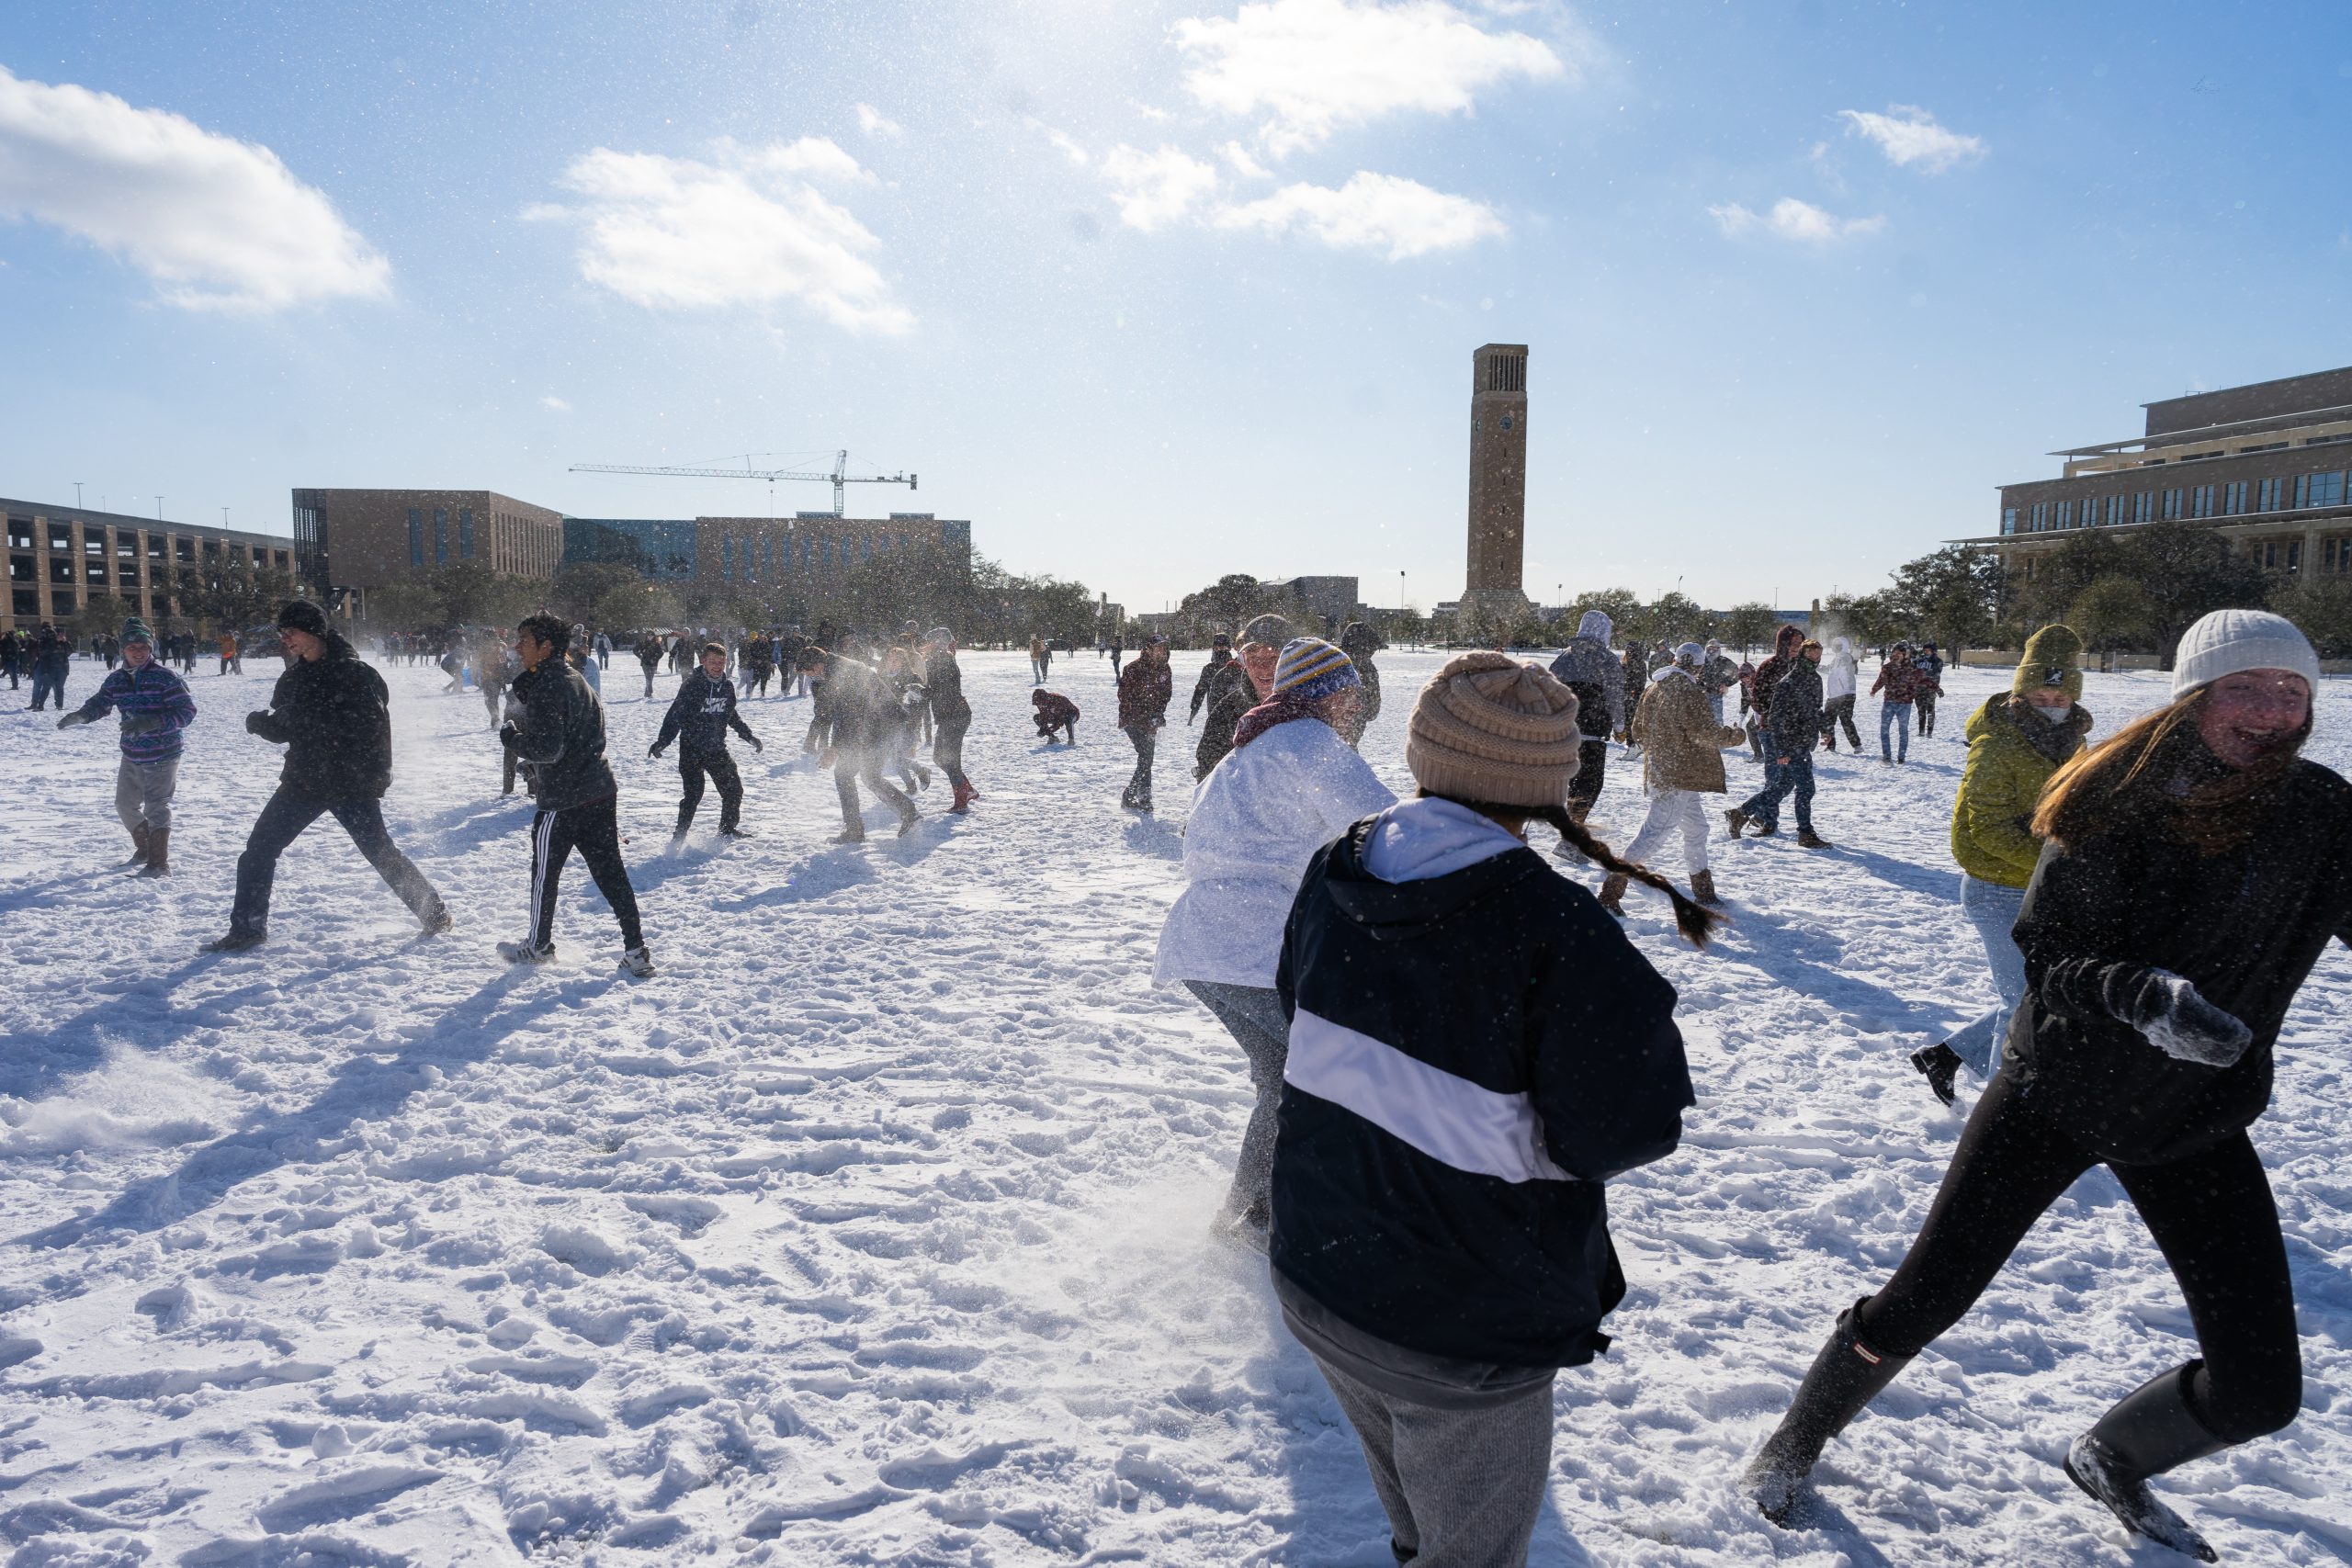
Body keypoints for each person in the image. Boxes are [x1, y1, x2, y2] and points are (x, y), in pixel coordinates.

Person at [1744, 609, 2345, 1561]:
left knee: (2261, 1390)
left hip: (2193, 1117)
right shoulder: (2115, 796)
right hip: (2056, 1094)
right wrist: (2141, 994)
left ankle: (2113, 1455)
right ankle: (1794, 1439)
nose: (2270, 713)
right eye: (2244, 688)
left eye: (2290, 692)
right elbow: (2048, 949)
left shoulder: (2319, 809)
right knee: (1924, 1299)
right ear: (2193, 698)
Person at [1270, 651, 1705, 1568]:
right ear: (1548, 781)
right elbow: (1626, 1130)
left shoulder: (1334, 868)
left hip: (1321, 1276)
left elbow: (1296, 1016)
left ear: (1425, 752)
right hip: (1457, 1325)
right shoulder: (1560, 931)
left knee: (1421, 1529)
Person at [1154, 637, 1395, 1247]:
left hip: (1205, 948)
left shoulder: (1242, 753)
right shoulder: (1310, 742)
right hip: (1256, 950)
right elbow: (1386, 828)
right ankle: (1342, 1211)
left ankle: (1248, 1214)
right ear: (1321, 693)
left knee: (1286, 1080)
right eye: (1347, 690)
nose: (1356, 703)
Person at [1910, 626, 2093, 1107]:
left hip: (2043, 887)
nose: (2050, 700)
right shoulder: (1997, 743)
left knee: (2037, 996)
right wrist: (2057, 862)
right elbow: (1985, 829)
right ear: (2020, 691)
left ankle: (1946, 1057)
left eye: (2060, 692)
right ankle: (2000, 1119)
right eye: (2039, 691)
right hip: (1997, 891)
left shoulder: (2071, 738)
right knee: (2021, 1008)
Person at [203, 602, 451, 952]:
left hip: (351, 783)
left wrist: (375, 776)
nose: (285, 638)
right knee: (259, 850)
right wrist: (262, 726)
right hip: (303, 781)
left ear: (315, 632)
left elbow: (371, 730)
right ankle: (247, 929)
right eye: (281, 632)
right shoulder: (294, 677)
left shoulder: (356, 674)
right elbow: (287, 727)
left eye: (292, 631)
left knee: (380, 852)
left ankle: (434, 913)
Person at [496, 615, 653, 974]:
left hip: (564, 800)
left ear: (546, 646)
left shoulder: (550, 685)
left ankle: (537, 946)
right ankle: (636, 950)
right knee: (611, 874)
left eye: (524, 640)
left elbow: (548, 749)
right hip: (599, 791)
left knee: (544, 876)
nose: (517, 646)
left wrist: (512, 739)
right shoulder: (574, 679)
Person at [1611, 642, 1748, 912]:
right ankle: (1611, 890)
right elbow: (1703, 732)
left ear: (1675, 660)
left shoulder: (1654, 687)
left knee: (1697, 830)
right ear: (1698, 667)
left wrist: (1661, 747)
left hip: (1668, 771)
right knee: (1653, 835)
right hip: (1678, 773)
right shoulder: (1688, 690)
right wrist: (1735, 736)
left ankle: (1704, 891)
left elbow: (1637, 731)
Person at [55, 617, 197, 875]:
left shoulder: (165, 678)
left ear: (150, 648)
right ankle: (144, 849)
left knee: (156, 807)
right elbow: (100, 703)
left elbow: (186, 712)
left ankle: (158, 863)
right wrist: (81, 716)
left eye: (143, 647)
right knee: (124, 805)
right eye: (133, 648)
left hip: (163, 753)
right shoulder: (116, 680)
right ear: (123, 651)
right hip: (132, 753)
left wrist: (152, 722)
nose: (139, 653)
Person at [1726, 637, 1831, 848]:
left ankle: (1740, 813)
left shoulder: (1816, 680)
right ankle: (1805, 833)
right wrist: (1781, 749)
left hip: (1804, 741)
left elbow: (1816, 710)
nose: (1815, 660)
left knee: (1781, 787)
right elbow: (1774, 718)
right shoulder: (1788, 682)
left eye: (1818, 656)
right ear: (1802, 656)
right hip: (1791, 742)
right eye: (1810, 656)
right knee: (1806, 789)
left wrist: (1826, 729)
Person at [651, 641, 761, 840]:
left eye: (721, 661)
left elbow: (731, 715)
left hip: (717, 749)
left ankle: (727, 829)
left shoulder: (727, 687)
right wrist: (663, 741)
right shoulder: (692, 685)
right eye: (712, 662)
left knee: (734, 790)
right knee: (693, 795)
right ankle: (680, 835)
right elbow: (675, 715)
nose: (717, 666)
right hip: (691, 749)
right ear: (703, 662)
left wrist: (748, 735)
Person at [809, 647, 920, 841]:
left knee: (845, 774)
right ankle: (908, 813)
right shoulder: (838, 668)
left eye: (808, 672)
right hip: (878, 725)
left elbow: (849, 716)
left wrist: (835, 748)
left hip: (878, 726)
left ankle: (854, 831)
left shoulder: (842, 673)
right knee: (869, 776)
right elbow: (839, 714)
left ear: (817, 665)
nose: (809, 677)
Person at [1547, 610, 1625, 835]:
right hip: (1592, 732)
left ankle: (1571, 821)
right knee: (1589, 782)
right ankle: (1574, 829)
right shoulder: (1608, 660)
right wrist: (1619, 725)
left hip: (1564, 731)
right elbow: (1614, 696)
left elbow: (1549, 690)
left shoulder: (1564, 658)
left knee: (1570, 779)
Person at [1194, 615, 1289, 779]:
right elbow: (1210, 781)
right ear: (1244, 658)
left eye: (1274, 657)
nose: (1263, 668)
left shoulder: (1317, 705)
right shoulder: (1227, 711)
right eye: (1254, 658)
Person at [922, 627, 977, 814]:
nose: (926, 645)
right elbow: (939, 688)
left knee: (947, 759)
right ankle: (968, 790)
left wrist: (922, 692)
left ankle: (961, 801)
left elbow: (942, 689)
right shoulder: (941, 658)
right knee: (944, 758)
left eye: (929, 641)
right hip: (953, 715)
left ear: (937, 642)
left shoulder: (942, 659)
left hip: (954, 715)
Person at [1116, 634, 1173, 810]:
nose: (1161, 652)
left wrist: (1158, 712)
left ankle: (1144, 796)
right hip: (1132, 720)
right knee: (1146, 757)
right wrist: (1145, 713)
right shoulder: (1133, 668)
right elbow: (1124, 697)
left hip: (1151, 722)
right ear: (1148, 649)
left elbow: (1166, 695)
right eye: (1158, 648)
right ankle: (1131, 794)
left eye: (1163, 648)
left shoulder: (1165, 669)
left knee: (1146, 758)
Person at [1871, 642, 1939, 764]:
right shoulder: (1887, 667)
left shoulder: (1912, 668)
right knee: (1884, 729)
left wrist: (1937, 688)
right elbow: (1881, 680)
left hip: (1905, 704)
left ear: (1904, 655)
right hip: (1889, 702)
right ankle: (1887, 756)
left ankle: (1901, 757)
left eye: (1898, 653)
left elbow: (1924, 680)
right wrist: (1874, 689)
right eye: (1894, 653)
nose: (1895, 655)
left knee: (1903, 730)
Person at [1338, 620, 1385, 739]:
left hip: (1338, 733)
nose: (1372, 653)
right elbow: (1372, 710)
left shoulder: (1332, 661)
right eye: (1371, 649)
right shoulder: (1362, 668)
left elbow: (1373, 709)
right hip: (1340, 735)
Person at [1817, 635, 1860, 752]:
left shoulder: (1846, 657)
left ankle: (1857, 745)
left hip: (1846, 693)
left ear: (1844, 646)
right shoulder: (1836, 659)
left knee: (1845, 720)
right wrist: (1815, 666)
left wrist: (1855, 656)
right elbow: (1829, 669)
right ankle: (1831, 746)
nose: (1835, 647)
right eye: (1834, 645)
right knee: (1829, 720)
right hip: (1834, 695)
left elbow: (1851, 663)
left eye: (1838, 646)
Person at [1188, 633, 1234, 725]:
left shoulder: (1235, 666)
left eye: (1223, 647)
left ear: (1229, 648)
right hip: (1214, 715)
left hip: (1235, 715)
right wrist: (1193, 711)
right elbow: (1200, 691)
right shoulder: (1209, 669)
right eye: (1217, 648)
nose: (1220, 650)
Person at [27, 623, 71, 711]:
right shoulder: (43, 640)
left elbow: (68, 652)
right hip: (48, 666)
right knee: (44, 686)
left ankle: (58, 705)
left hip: (59, 667)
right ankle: (38, 705)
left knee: (57, 687)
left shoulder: (59, 641)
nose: (48, 632)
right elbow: (42, 652)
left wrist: (64, 642)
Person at [1700, 640, 1740, 728]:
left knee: (1717, 719)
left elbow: (1737, 673)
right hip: (1701, 694)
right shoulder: (1701, 659)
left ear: (1719, 649)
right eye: (1710, 648)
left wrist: (1726, 683)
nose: (1712, 650)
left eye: (1715, 648)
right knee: (1701, 718)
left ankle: (1719, 738)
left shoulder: (1723, 660)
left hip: (1716, 694)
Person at [1915, 640, 1946, 736]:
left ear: (1933, 651)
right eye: (1925, 650)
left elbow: (1935, 675)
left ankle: (1929, 731)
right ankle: (1921, 731)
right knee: (1921, 711)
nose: (1926, 652)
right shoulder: (1919, 660)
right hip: (1919, 689)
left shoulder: (1937, 661)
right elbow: (1913, 672)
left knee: (1930, 710)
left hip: (1930, 690)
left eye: (1928, 650)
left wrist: (1923, 674)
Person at [633, 632, 663, 700]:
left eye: (652, 635)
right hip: (645, 663)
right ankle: (649, 693)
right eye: (649, 635)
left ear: (654, 636)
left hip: (653, 664)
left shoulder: (656, 644)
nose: (650, 637)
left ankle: (647, 693)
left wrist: (655, 658)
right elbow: (635, 650)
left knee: (651, 678)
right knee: (648, 678)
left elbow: (661, 653)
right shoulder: (643, 643)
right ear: (646, 636)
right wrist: (640, 656)